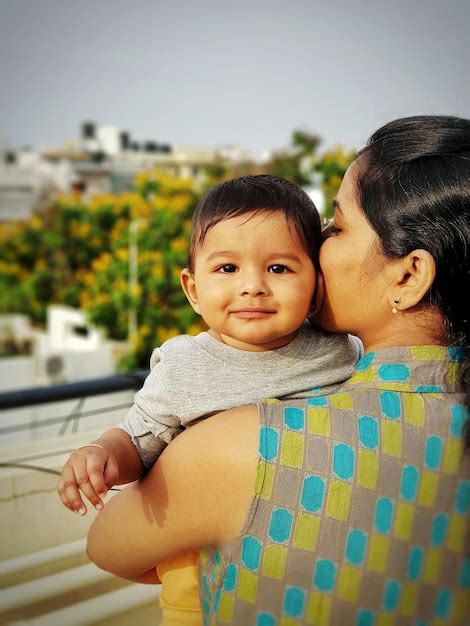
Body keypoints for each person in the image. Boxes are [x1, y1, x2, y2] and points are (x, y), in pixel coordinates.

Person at [86, 115, 470, 625]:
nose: (320, 245)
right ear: (193, 286)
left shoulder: (237, 449)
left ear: (409, 275)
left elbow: (108, 546)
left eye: (337, 225)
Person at [57, 175, 361, 625]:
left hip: (309, 567)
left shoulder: (338, 350)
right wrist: (102, 456)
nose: (252, 286)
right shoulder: (183, 366)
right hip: (197, 584)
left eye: (279, 268)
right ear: (193, 289)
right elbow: (138, 441)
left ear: (315, 286)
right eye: (227, 269)